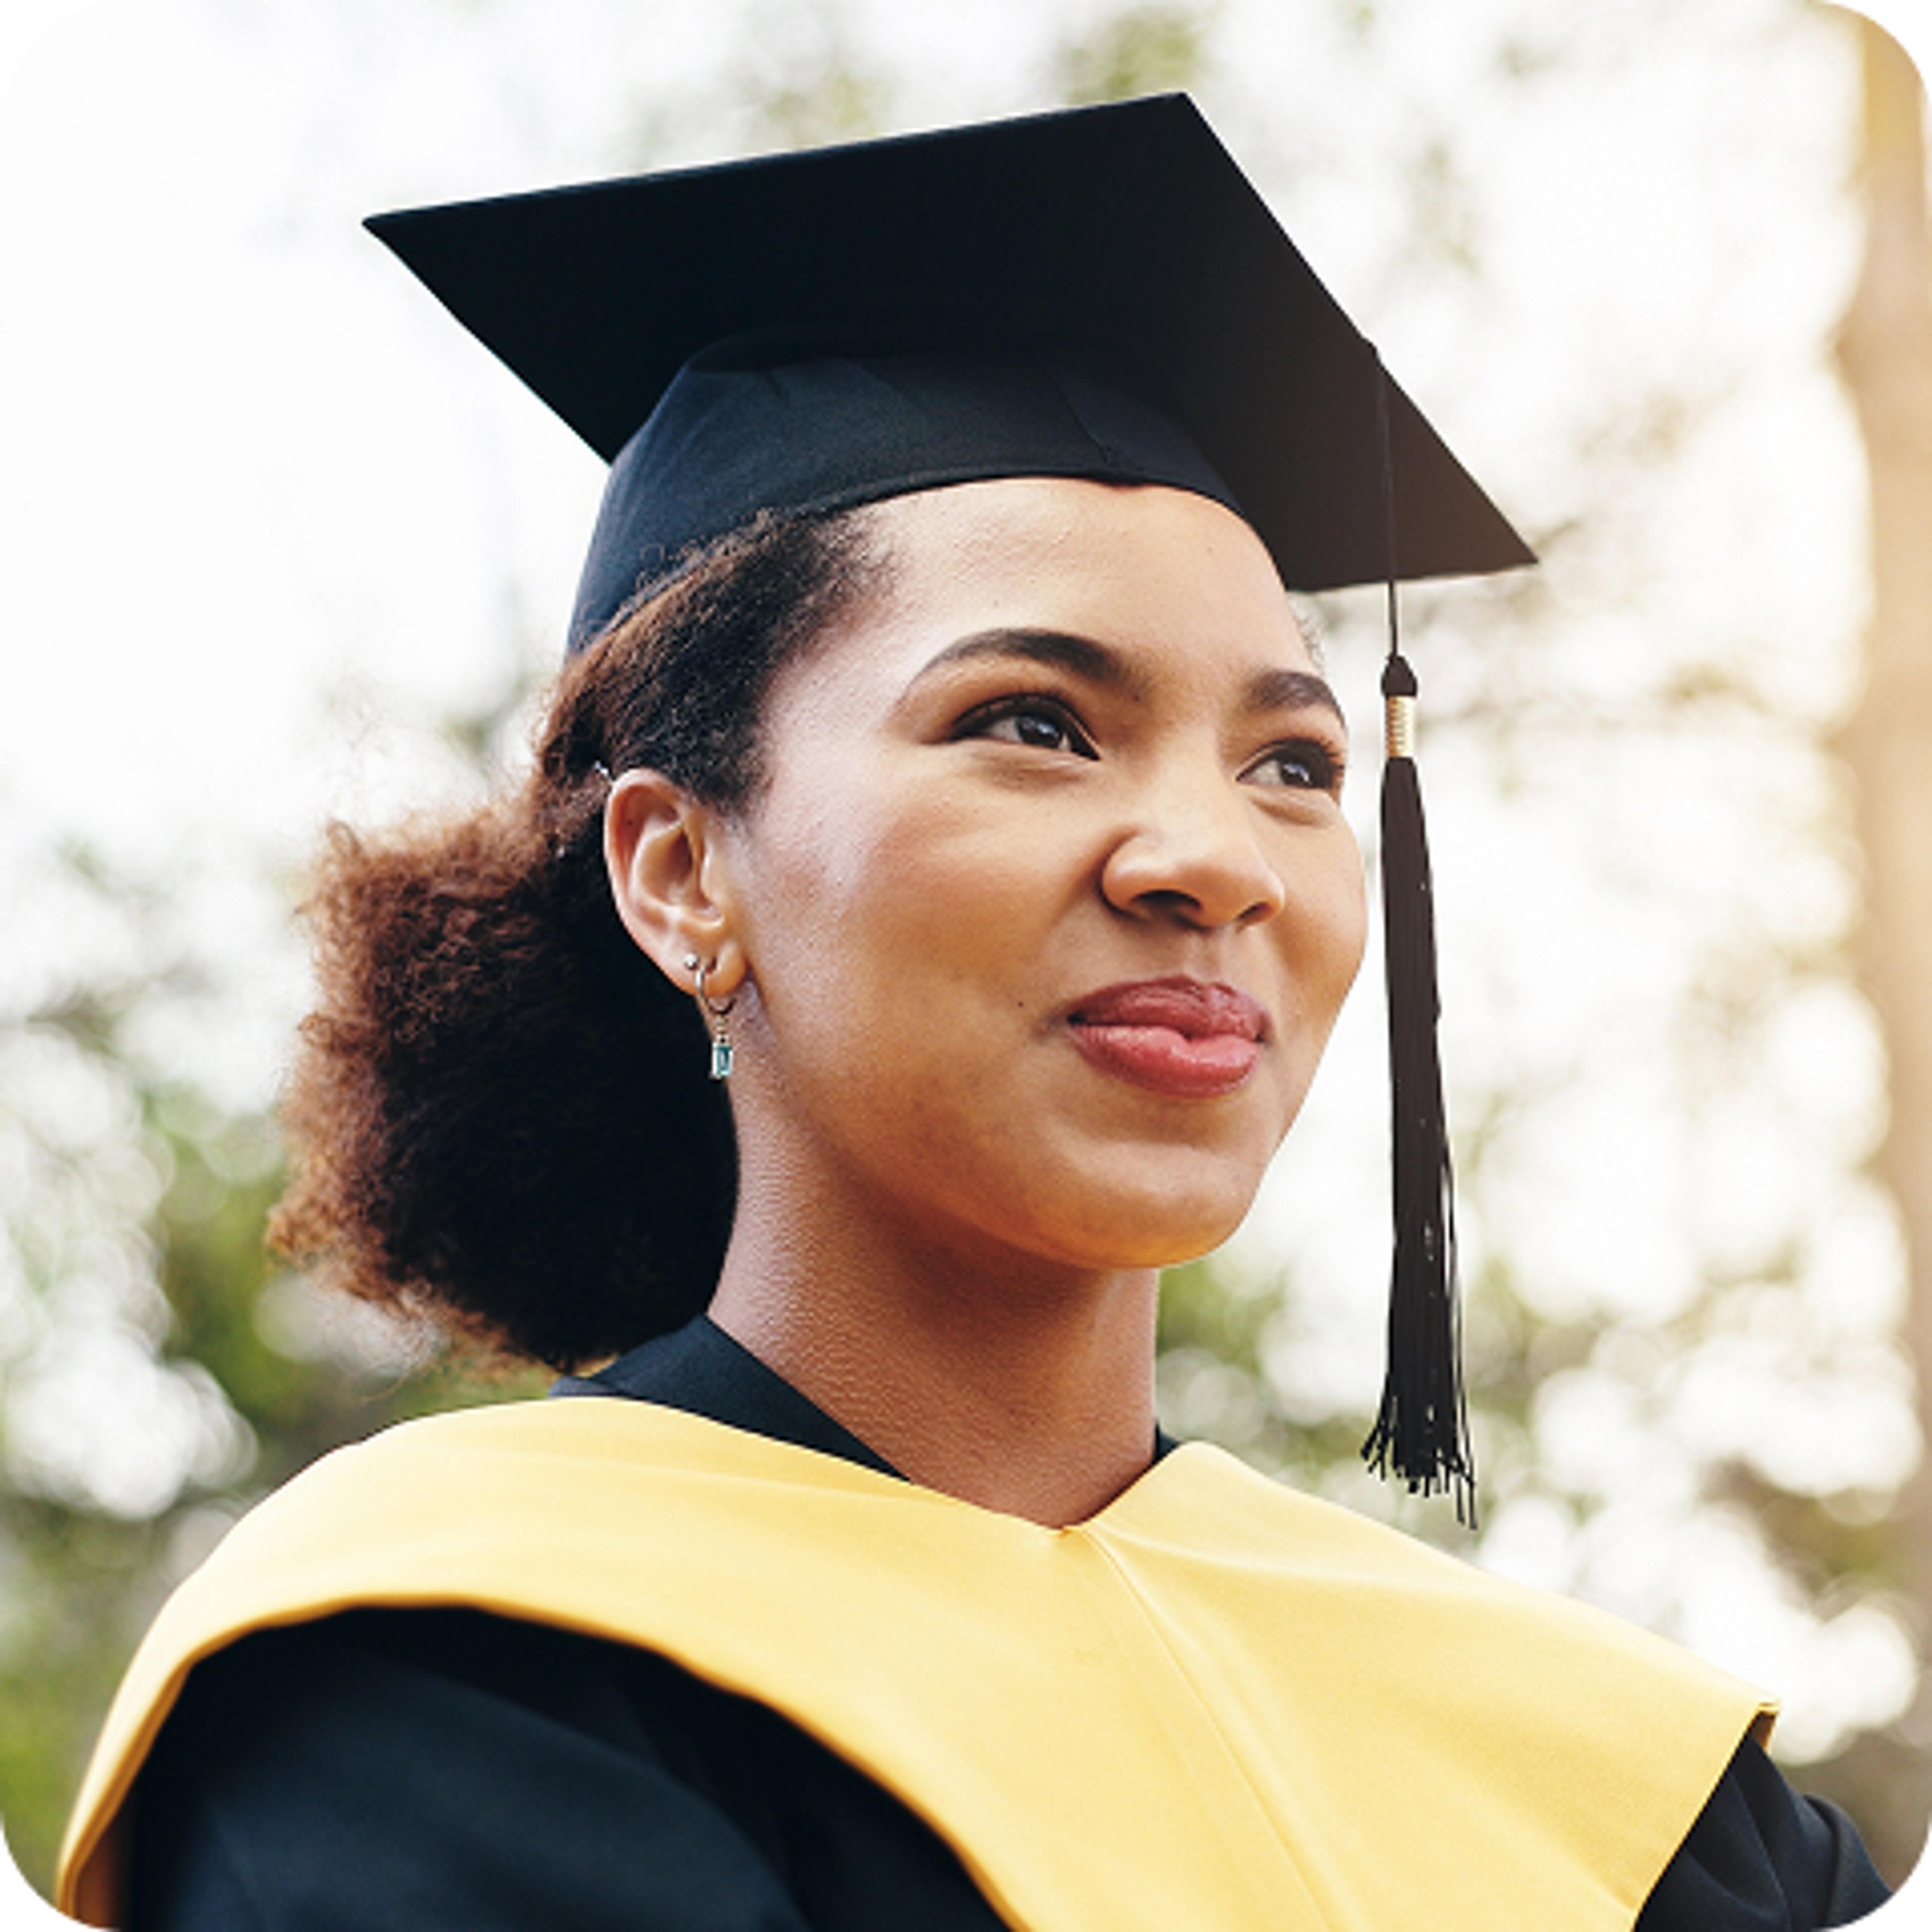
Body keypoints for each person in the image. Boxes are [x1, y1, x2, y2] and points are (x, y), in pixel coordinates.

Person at [58, 96, 1889, 1931]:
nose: (1212, 858)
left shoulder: (1623, 1786)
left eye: (1292, 761)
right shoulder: (451, 1677)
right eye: (1031, 723)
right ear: (682, 875)